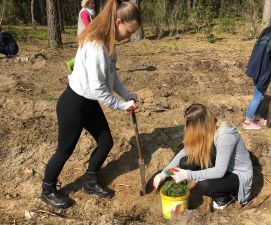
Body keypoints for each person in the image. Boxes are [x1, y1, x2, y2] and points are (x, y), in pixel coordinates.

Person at [42, 0, 142, 209]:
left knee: (106, 142)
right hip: (73, 104)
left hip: (88, 103)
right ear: (118, 22)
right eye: (129, 32)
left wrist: (126, 94)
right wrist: (122, 106)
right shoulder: (97, 46)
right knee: (65, 150)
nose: (129, 36)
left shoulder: (109, 43)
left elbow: (112, 76)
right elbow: (99, 89)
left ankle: (90, 181)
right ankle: (48, 189)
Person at [153, 104, 253, 210]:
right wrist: (163, 174)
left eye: (189, 125)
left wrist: (188, 174)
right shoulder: (207, 130)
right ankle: (211, 183)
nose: (187, 128)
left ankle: (224, 196)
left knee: (205, 185)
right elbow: (184, 152)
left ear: (199, 125)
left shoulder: (225, 136)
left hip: (236, 175)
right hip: (219, 165)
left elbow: (220, 171)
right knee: (185, 162)